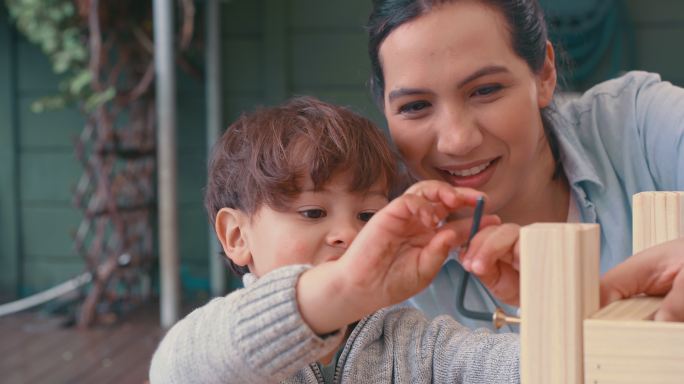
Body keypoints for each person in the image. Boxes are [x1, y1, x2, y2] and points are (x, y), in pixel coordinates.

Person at [149, 96, 520, 384]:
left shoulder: (418, 344)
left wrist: (539, 298)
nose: (350, 234)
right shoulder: (224, 342)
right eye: (313, 213)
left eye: (367, 216)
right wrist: (341, 290)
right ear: (236, 235)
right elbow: (173, 370)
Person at [366, 0, 684, 327]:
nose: (457, 141)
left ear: (544, 75)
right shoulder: (382, 270)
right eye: (415, 106)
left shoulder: (638, 122)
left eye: (486, 90)